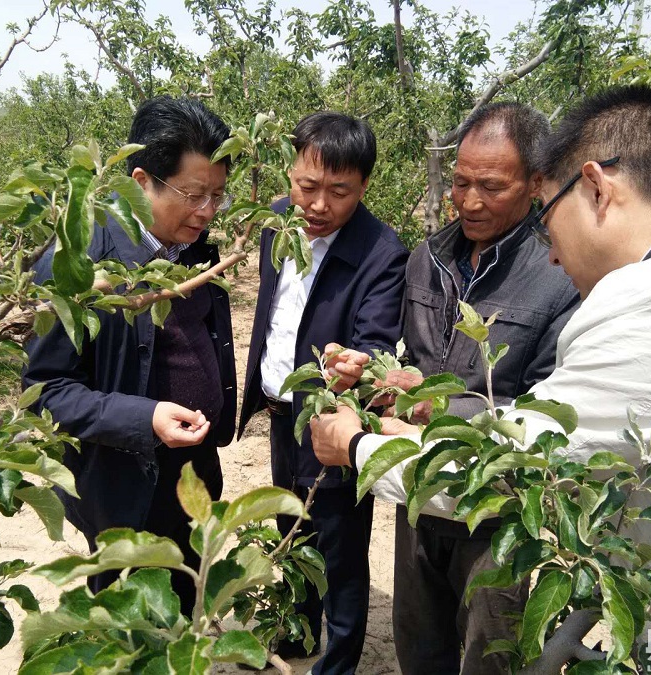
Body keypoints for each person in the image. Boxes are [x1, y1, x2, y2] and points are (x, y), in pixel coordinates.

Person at [310, 85, 651, 664]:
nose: (551, 250)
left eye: (547, 209)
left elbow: (520, 465)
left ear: (596, 188)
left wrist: (355, 444)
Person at [379, 103, 578, 675]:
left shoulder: (560, 272)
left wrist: (438, 404)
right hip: (419, 490)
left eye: (490, 187)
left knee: (488, 653)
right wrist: (368, 372)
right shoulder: (429, 258)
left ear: (536, 184)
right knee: (418, 643)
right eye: (460, 182)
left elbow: (553, 413)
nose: (468, 201)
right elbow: (404, 356)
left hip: (499, 511)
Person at [22, 96, 237, 614]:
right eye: (192, 194)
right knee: (132, 628)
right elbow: (47, 393)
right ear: (140, 180)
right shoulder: (75, 267)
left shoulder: (196, 250)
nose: (206, 211)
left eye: (218, 196)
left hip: (193, 476)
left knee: (189, 609)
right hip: (126, 489)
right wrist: (146, 417)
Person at [239, 112, 409, 674]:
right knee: (289, 524)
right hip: (279, 411)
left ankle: (335, 664)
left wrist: (354, 364)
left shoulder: (382, 251)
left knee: (340, 550)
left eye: (339, 192)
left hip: (331, 420)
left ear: (363, 188)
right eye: (306, 186)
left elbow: (374, 340)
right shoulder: (277, 223)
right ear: (291, 173)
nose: (317, 205)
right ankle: (296, 629)